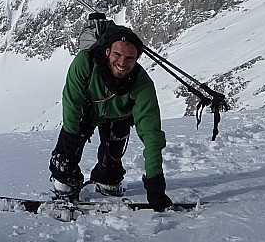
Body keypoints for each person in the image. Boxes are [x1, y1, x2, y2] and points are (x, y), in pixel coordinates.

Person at [48, 21, 173, 211]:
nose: (123, 63)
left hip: (118, 118)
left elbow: (152, 135)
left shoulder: (142, 84)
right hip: (85, 113)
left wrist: (155, 186)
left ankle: (107, 178)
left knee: (111, 172)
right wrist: (69, 143)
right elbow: (72, 102)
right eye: (118, 54)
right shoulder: (85, 62)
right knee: (66, 154)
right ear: (107, 51)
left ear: (137, 59)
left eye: (129, 58)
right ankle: (65, 181)